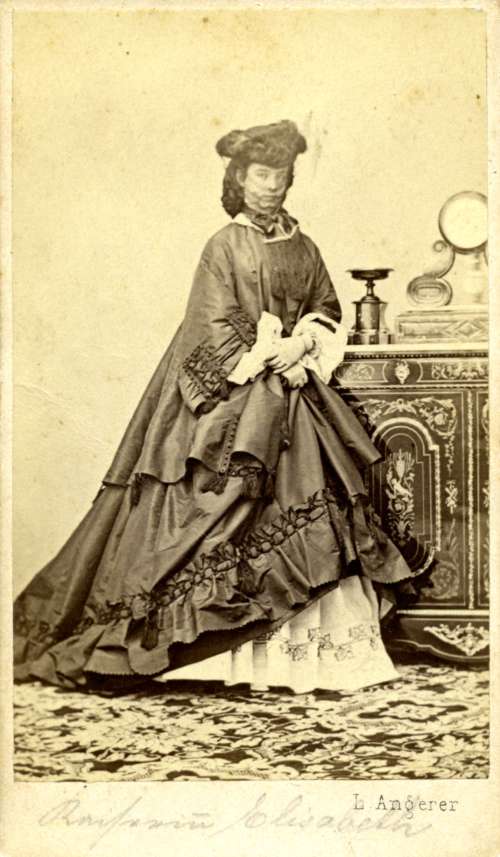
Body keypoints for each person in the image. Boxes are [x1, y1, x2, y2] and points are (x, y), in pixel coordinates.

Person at [14, 120, 418, 694]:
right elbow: (212, 326)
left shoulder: (304, 245)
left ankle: (310, 658)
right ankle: (209, 657)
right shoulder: (223, 245)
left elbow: (325, 307)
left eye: (280, 175)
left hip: (294, 386)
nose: (271, 186)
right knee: (220, 501)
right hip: (234, 393)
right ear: (239, 179)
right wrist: (266, 354)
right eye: (260, 175)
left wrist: (301, 343)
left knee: (314, 487)